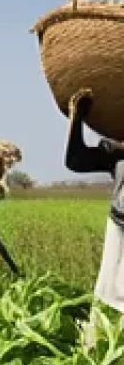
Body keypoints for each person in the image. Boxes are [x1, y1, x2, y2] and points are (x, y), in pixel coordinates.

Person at [65, 89, 124, 320]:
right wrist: (76, 119)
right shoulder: (118, 156)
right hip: (120, 222)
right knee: (110, 292)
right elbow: (76, 160)